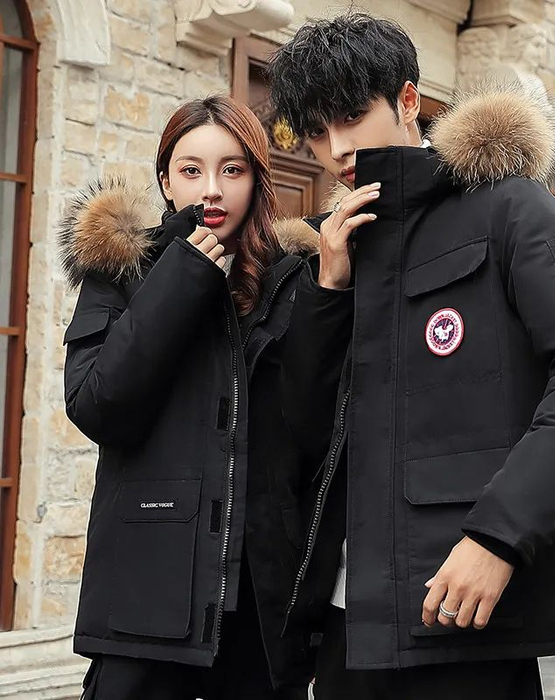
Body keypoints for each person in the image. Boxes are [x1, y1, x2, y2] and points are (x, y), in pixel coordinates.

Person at [267, 13, 555, 700]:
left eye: (352, 116)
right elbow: (303, 430)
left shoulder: (508, 208)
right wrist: (328, 292)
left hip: (464, 610)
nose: (337, 147)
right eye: (317, 132)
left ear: (408, 100)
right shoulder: (330, 248)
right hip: (347, 624)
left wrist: (499, 537)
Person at [58, 95, 318, 700]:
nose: (212, 189)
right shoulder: (122, 272)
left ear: (257, 180)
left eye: (233, 169)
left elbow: (316, 425)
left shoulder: (293, 279)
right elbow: (96, 405)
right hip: (147, 597)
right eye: (191, 169)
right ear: (166, 181)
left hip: (261, 605)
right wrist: (183, 277)